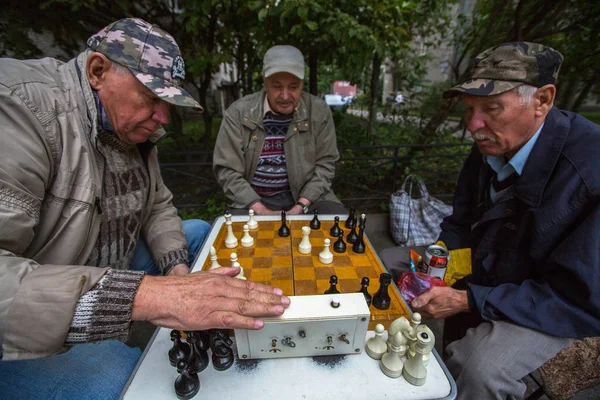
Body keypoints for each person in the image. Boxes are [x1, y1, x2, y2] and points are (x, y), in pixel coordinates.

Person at [0, 18, 289, 399]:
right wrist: (154, 296)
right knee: (125, 378)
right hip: (25, 315)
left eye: (168, 103)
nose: (163, 118)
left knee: (198, 232)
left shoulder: (130, 128)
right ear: (98, 70)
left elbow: (157, 206)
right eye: (152, 98)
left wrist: (178, 273)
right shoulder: (22, 109)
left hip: (99, 265)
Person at [381, 42, 600, 399]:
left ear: (542, 101)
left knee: (478, 366)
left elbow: (576, 295)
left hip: (550, 303)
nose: (474, 125)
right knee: (387, 264)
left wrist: (469, 300)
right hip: (493, 269)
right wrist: (438, 264)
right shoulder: (490, 144)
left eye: (491, 108)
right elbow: (461, 221)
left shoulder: (590, 171)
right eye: (469, 110)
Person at [213, 45, 347, 216]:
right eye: (277, 86)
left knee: (338, 226)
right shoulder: (238, 113)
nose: (285, 96)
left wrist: (300, 206)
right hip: (252, 200)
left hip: (310, 197)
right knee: (239, 238)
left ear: (302, 84)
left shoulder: (319, 111)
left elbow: (325, 164)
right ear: (265, 83)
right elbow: (227, 170)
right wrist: (259, 208)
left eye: (293, 87)